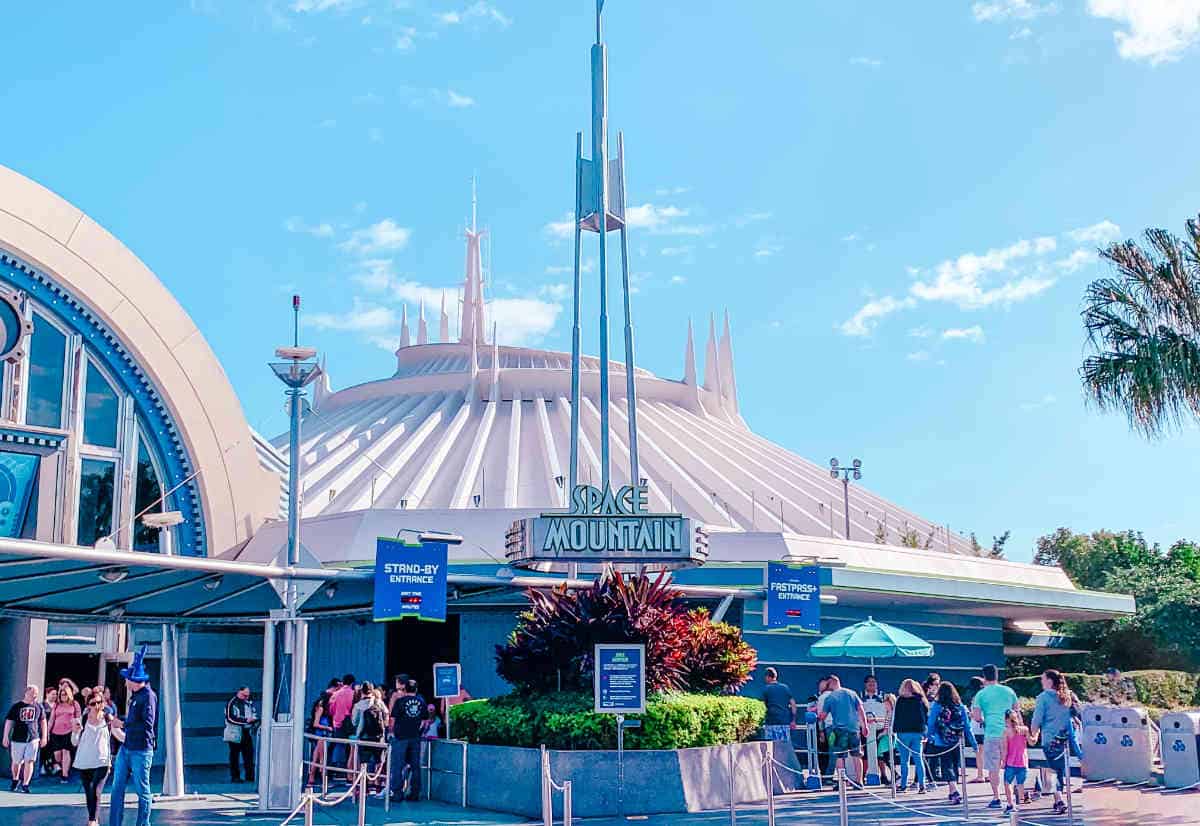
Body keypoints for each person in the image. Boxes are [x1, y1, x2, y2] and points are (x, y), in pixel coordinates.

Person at [109, 645, 157, 826]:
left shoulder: (148, 697)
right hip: (128, 747)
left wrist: (123, 723)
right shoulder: (136, 696)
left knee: (142, 790)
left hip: (141, 750)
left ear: (135, 681)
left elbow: (147, 724)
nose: (125, 683)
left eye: (127, 679)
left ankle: (143, 824)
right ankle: (115, 823)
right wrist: (123, 721)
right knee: (117, 788)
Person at [1030, 669, 1080, 817]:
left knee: (1053, 771)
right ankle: (1059, 799)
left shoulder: (1043, 697)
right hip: (1065, 739)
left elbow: (1037, 719)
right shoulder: (1067, 695)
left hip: (1050, 739)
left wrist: (1032, 732)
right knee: (1060, 770)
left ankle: (1059, 800)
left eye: (1043, 679)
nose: (1041, 682)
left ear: (1050, 681)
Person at [971, 664, 1020, 810]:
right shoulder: (1009, 691)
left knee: (994, 767)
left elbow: (977, 716)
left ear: (984, 676)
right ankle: (1013, 797)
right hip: (1010, 732)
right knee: (1012, 765)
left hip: (992, 733)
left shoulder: (981, 694)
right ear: (997, 675)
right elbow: (1017, 711)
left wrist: (984, 720)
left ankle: (996, 797)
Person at [73, 688, 123, 826]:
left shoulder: (108, 718)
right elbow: (74, 741)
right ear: (88, 705)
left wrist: (134, 739)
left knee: (96, 789)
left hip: (102, 760)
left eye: (99, 702)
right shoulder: (82, 719)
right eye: (93, 703)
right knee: (89, 791)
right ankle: (93, 817)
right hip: (84, 760)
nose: (97, 706)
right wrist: (75, 732)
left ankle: (92, 820)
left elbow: (119, 735)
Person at [925, 682, 976, 806]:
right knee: (955, 765)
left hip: (941, 741)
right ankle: (953, 790)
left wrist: (929, 736)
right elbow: (967, 728)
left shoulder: (937, 706)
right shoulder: (961, 707)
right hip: (956, 741)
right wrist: (974, 744)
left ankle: (954, 791)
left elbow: (931, 723)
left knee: (946, 766)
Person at [817, 674, 867, 785]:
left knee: (840, 756)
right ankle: (859, 781)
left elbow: (823, 716)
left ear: (831, 682)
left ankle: (841, 782)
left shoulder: (830, 697)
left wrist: (816, 716)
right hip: (854, 729)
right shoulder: (852, 693)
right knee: (857, 755)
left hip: (839, 730)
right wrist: (864, 726)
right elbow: (860, 710)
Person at [389, 679, 428, 802]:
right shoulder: (421, 702)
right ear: (416, 690)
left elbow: (392, 720)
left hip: (400, 737)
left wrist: (391, 732)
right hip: (415, 737)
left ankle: (397, 793)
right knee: (415, 766)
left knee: (397, 765)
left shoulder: (400, 701)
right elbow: (425, 722)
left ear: (405, 689)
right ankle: (414, 793)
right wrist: (419, 731)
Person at [3, 685, 47, 793]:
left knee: (30, 761)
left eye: (36, 694)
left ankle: (25, 784)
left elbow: (43, 721)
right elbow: (9, 721)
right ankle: (15, 779)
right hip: (18, 738)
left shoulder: (39, 707)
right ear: (27, 693)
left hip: (33, 738)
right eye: (32, 694)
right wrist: (5, 736)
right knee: (16, 762)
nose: (34, 696)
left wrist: (44, 736)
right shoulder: (17, 706)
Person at [892, 679, 928, 794]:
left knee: (904, 760)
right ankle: (922, 785)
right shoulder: (920, 700)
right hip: (917, 732)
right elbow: (924, 716)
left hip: (903, 732)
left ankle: (903, 785)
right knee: (918, 759)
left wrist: (894, 731)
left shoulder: (900, 700)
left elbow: (896, 716)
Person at [224, 685, 257, 783]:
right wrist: (245, 720)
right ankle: (235, 777)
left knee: (249, 754)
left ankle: (250, 776)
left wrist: (253, 721)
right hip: (235, 731)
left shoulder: (248, 703)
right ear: (239, 692)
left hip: (246, 731)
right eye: (244, 695)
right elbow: (230, 718)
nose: (246, 697)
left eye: (247, 695)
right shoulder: (232, 703)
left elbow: (253, 713)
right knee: (235, 755)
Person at [50, 682, 81, 783]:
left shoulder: (74, 704)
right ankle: (57, 765)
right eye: (61, 694)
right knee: (57, 755)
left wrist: (77, 729)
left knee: (66, 752)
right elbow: (51, 719)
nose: (63, 696)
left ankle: (64, 775)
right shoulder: (56, 705)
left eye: (65, 694)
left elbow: (78, 717)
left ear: (69, 694)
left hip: (69, 731)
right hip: (56, 731)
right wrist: (47, 732)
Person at [1001, 708, 1030, 816]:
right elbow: (1032, 742)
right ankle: (1023, 798)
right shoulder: (1024, 730)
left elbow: (1005, 749)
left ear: (1006, 720)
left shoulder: (1006, 732)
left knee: (1007, 783)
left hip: (1011, 762)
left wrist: (1003, 762)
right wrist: (1037, 734)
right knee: (1020, 784)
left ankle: (1010, 804)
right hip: (1023, 762)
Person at [761, 667, 797, 741]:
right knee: (784, 747)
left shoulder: (766, 689)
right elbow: (793, 704)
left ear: (768, 677)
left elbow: (763, 706)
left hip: (771, 722)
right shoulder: (785, 688)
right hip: (784, 722)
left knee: (771, 748)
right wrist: (793, 720)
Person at [329, 674, 356, 767]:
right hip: (351, 723)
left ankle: (338, 767)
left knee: (339, 745)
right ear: (352, 683)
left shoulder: (335, 694)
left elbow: (331, 709)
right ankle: (350, 768)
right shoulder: (354, 694)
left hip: (338, 723)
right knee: (353, 746)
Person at [306, 696, 334, 786]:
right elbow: (315, 724)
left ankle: (312, 778)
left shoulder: (320, 708)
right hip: (321, 736)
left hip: (321, 736)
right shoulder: (321, 708)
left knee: (316, 758)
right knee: (322, 758)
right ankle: (323, 779)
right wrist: (328, 728)